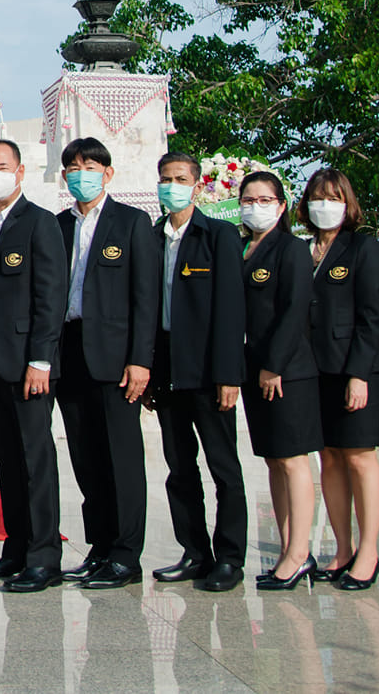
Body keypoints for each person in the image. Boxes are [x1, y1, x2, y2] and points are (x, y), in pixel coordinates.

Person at [0, 140, 67, 593]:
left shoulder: (40, 223)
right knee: (6, 459)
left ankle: (44, 557)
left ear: (20, 172)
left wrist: (41, 358)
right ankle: (16, 547)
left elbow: (50, 298)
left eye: (1, 166)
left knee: (34, 458)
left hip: (28, 361)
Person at [53, 137, 158, 589]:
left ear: (107, 173)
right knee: (85, 455)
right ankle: (99, 547)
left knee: (121, 456)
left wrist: (140, 360)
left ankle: (126, 554)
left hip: (116, 357)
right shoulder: (57, 226)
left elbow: (145, 298)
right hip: (68, 351)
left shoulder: (132, 222)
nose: (81, 174)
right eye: (73, 167)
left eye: (90, 166)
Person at [146, 151, 247, 593]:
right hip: (167, 369)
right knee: (179, 467)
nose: (173, 186)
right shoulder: (151, 238)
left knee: (223, 467)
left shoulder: (219, 235)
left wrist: (229, 374)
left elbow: (230, 309)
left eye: (181, 178)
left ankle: (229, 557)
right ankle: (194, 550)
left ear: (198, 185)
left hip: (208, 371)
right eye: (166, 179)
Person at [236, 170, 323, 590]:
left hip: (288, 372)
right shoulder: (242, 248)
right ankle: (287, 545)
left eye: (264, 199)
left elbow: (294, 312)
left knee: (293, 460)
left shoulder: (291, 249)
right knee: (273, 461)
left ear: (282, 205)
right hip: (254, 370)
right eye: (248, 200)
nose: (256, 206)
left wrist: (274, 365)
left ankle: (300, 553)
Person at [302, 168, 379, 590]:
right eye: (317, 196)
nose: (325, 204)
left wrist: (359, 374)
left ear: (347, 202)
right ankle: (343, 547)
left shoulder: (362, 247)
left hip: (351, 369)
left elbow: (372, 317)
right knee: (330, 458)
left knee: (358, 456)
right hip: (311, 371)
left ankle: (369, 551)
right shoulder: (304, 250)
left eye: (333, 197)